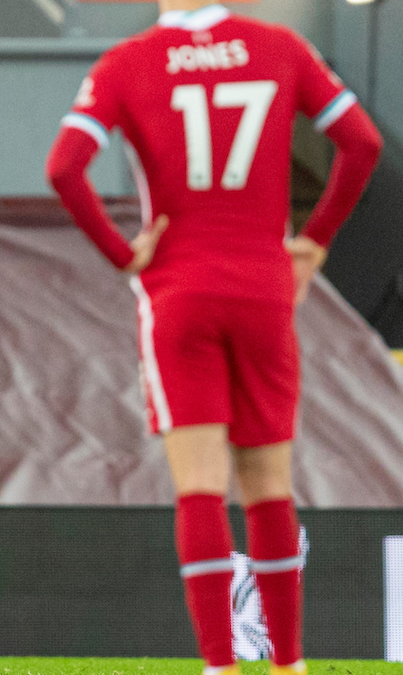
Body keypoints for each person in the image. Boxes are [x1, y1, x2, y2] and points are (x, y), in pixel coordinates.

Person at [45, 2, 382, 675]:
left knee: (200, 487)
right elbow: (363, 143)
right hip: (263, 290)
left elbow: (64, 168)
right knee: (269, 488)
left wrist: (123, 252)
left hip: (179, 293)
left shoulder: (128, 62)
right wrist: (312, 245)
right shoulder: (280, 47)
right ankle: (288, 662)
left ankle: (220, 665)